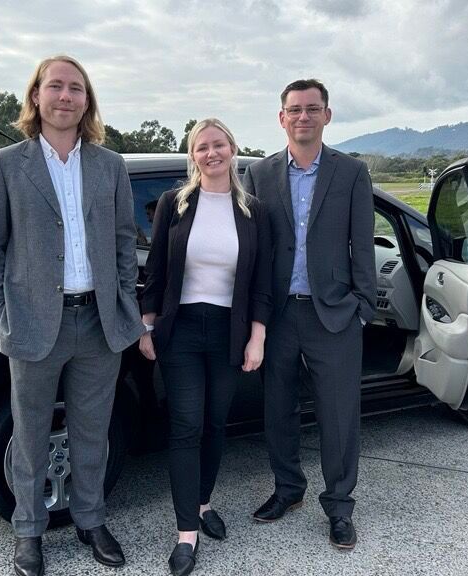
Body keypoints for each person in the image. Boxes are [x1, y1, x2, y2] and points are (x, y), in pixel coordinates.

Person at [0, 55, 143, 576]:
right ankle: (28, 532)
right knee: (29, 434)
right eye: (56, 86)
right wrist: (4, 318)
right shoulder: (5, 164)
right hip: (32, 324)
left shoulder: (110, 166)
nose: (65, 96)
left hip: (98, 323)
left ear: (87, 100)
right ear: (36, 97)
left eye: (76, 88)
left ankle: (92, 520)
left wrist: (125, 307)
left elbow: (122, 245)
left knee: (93, 431)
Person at [242, 79, 377, 550]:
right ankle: (288, 490)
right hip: (278, 315)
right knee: (278, 409)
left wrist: (363, 306)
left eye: (312, 109)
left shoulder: (351, 172)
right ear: (281, 117)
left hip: (334, 316)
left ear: (327, 115)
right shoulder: (258, 174)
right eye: (294, 110)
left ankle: (340, 506)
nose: (303, 117)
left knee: (339, 416)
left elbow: (364, 243)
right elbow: (251, 249)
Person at [139, 118, 272, 576]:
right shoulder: (174, 206)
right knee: (186, 426)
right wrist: (145, 325)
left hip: (229, 331)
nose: (211, 153)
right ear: (192, 155)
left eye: (218, 145)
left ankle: (203, 502)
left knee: (217, 424)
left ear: (233, 148)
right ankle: (185, 535)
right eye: (201, 147)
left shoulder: (254, 210)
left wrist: (257, 336)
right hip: (181, 332)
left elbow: (261, 283)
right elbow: (156, 268)